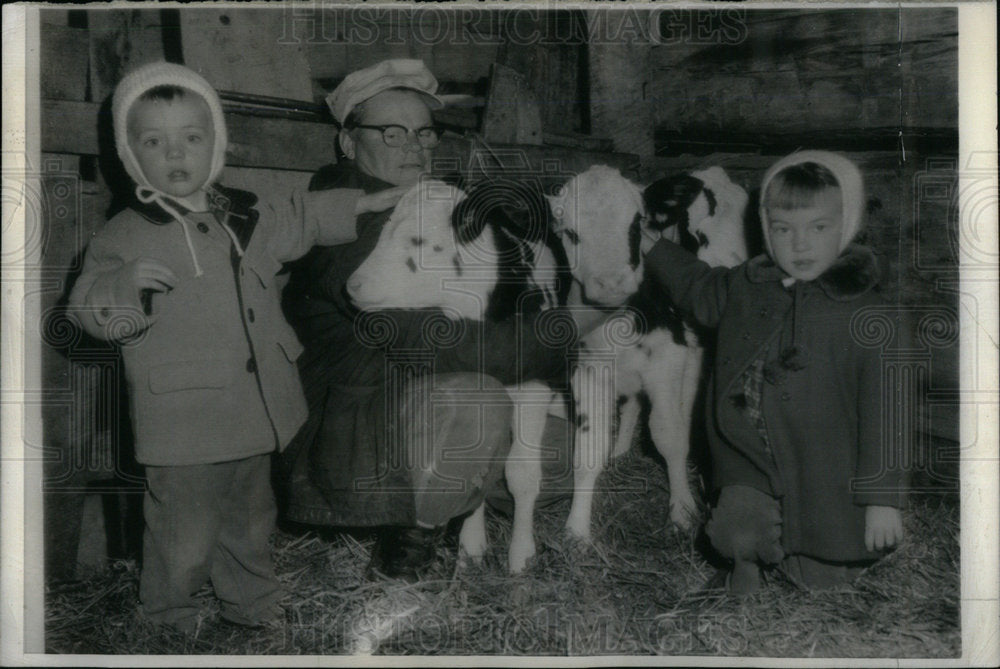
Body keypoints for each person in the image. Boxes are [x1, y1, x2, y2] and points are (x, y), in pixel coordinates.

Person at [68, 62, 400, 632]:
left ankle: (253, 603)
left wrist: (359, 205)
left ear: (216, 144)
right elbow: (84, 310)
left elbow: (298, 217)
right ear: (128, 154)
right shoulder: (123, 233)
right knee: (183, 529)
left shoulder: (240, 213)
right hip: (182, 421)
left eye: (192, 138)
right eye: (154, 141)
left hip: (253, 408)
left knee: (250, 519)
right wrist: (123, 287)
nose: (175, 154)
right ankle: (169, 617)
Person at [279, 59, 582, 580]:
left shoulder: (427, 205)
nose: (415, 147)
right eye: (392, 134)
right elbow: (443, 342)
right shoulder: (342, 216)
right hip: (345, 423)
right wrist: (564, 333)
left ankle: (460, 498)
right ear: (348, 143)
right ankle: (408, 546)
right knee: (480, 400)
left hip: (409, 404)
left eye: (424, 133)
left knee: (560, 455)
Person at [641, 150, 907, 593]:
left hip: (827, 470)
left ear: (848, 224)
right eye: (783, 229)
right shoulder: (749, 284)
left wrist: (883, 500)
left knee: (822, 580)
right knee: (733, 533)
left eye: (818, 228)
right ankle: (746, 560)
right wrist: (652, 245)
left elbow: (888, 417)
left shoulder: (871, 317)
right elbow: (698, 287)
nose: (799, 245)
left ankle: (817, 563)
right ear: (766, 229)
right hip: (749, 460)